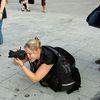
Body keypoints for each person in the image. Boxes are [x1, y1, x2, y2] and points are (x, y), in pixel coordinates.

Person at [13, 37, 81, 94]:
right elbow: (15, 63)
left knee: (42, 77)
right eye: (26, 53)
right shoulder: (34, 51)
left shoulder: (49, 57)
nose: (27, 56)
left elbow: (35, 79)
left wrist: (22, 66)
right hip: (59, 56)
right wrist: (16, 55)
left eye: (30, 54)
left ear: (37, 50)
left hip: (66, 67)